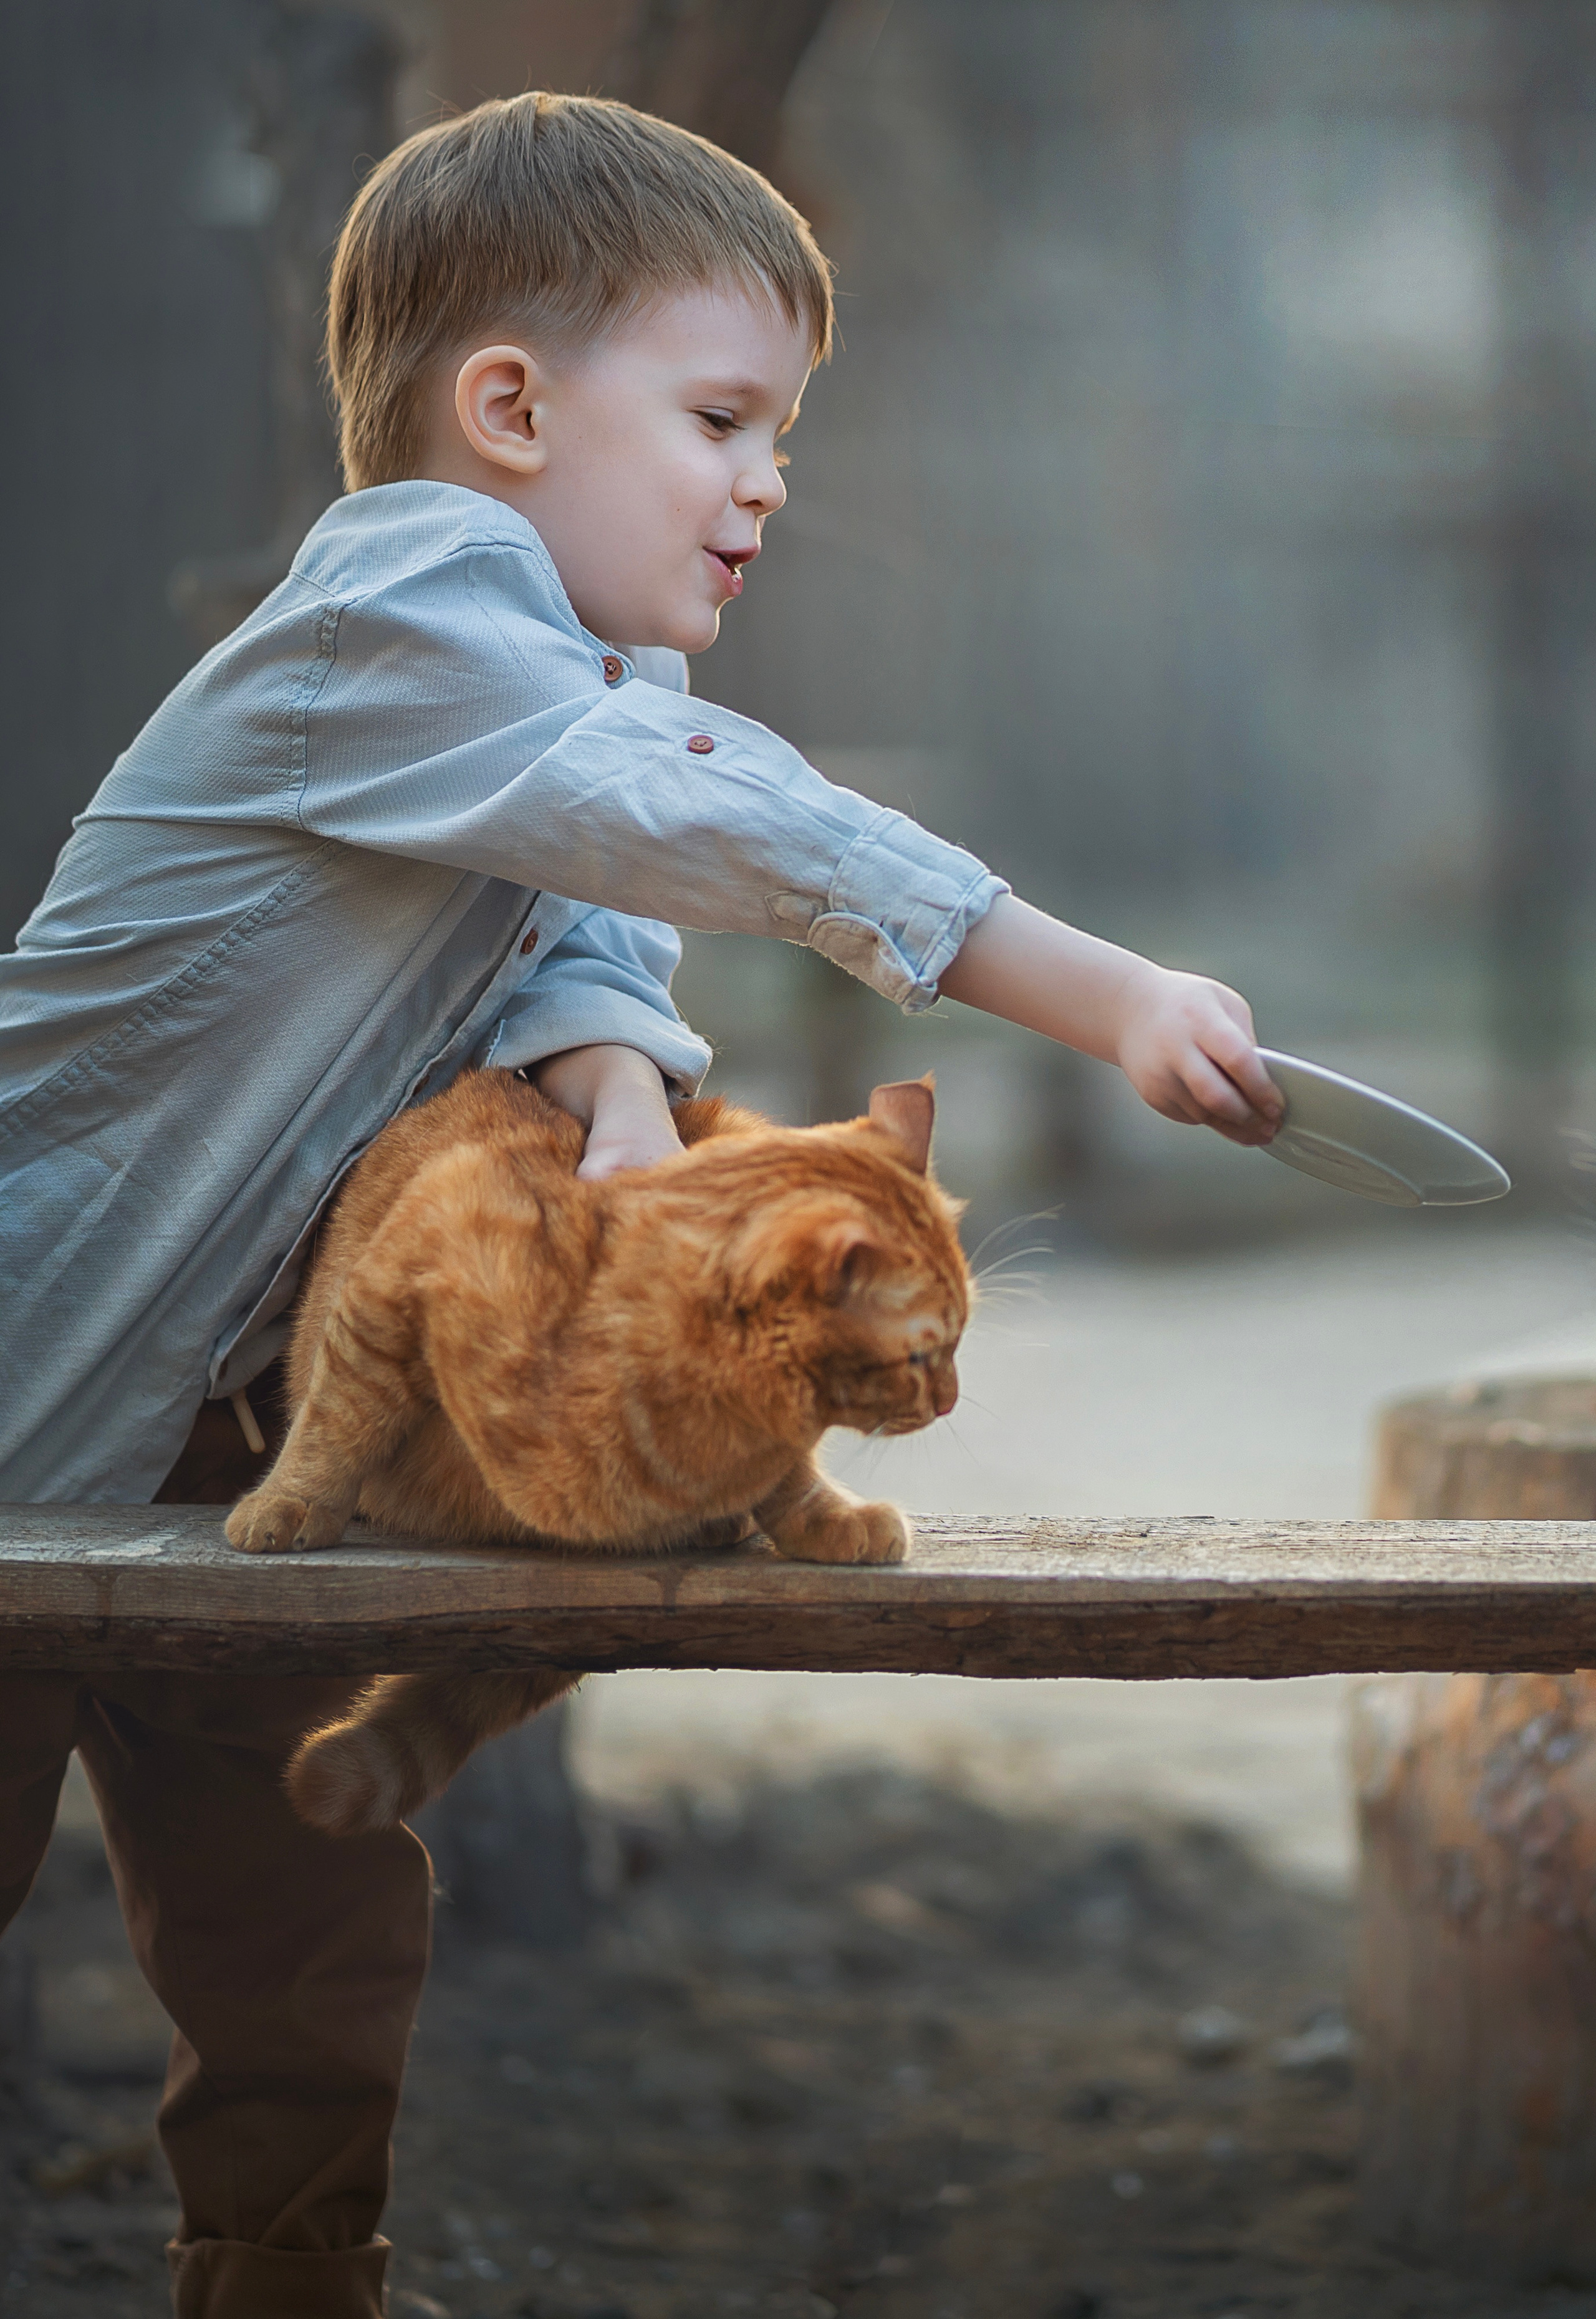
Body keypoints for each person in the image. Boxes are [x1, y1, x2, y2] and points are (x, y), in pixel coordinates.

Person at [0, 94, 1282, 2317]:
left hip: (220, 1445)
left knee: (304, 1925)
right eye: (720, 417)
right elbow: (714, 820)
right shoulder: (394, 621)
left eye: (782, 428)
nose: (769, 478)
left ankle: (285, 2279)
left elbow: (585, 912)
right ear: (504, 408)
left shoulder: (575, 680)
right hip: (28, 1390)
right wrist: (1112, 996)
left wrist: (607, 1068)